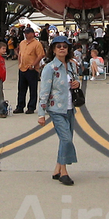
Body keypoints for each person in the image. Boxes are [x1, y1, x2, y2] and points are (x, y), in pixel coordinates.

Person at [37, 35, 80, 185]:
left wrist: (77, 83)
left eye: (65, 46)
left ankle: (57, 169)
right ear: (53, 50)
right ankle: (64, 172)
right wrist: (41, 114)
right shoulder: (49, 68)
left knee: (66, 139)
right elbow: (44, 91)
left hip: (70, 107)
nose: (62, 48)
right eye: (58, 46)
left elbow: (76, 79)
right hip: (56, 109)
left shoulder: (72, 65)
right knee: (66, 139)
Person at [13, 26, 45, 114]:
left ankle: (31, 107)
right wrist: (19, 63)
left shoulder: (37, 44)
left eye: (27, 33)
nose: (26, 35)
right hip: (22, 68)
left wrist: (34, 65)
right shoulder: (22, 43)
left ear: (32, 34)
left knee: (32, 89)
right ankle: (20, 106)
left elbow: (40, 55)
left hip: (31, 69)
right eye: (25, 33)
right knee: (21, 89)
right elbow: (20, 53)